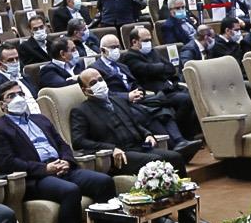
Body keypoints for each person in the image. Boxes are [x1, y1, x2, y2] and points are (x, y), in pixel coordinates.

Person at [0, 80, 115, 223]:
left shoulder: (40, 119)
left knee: (104, 181)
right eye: (11, 96)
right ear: (2, 104)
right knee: (70, 191)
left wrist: (66, 161)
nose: (18, 98)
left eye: (20, 94)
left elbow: (62, 144)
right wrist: (45, 168)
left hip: (63, 167)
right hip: (36, 177)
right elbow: (8, 163)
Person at [70, 67, 201, 170]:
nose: (99, 84)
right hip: (120, 155)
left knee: (175, 157)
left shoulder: (117, 100)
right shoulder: (81, 111)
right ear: (85, 90)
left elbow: (134, 123)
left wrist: (147, 134)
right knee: (155, 161)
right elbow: (78, 141)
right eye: (93, 83)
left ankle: (183, 195)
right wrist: (110, 148)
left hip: (139, 146)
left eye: (100, 80)